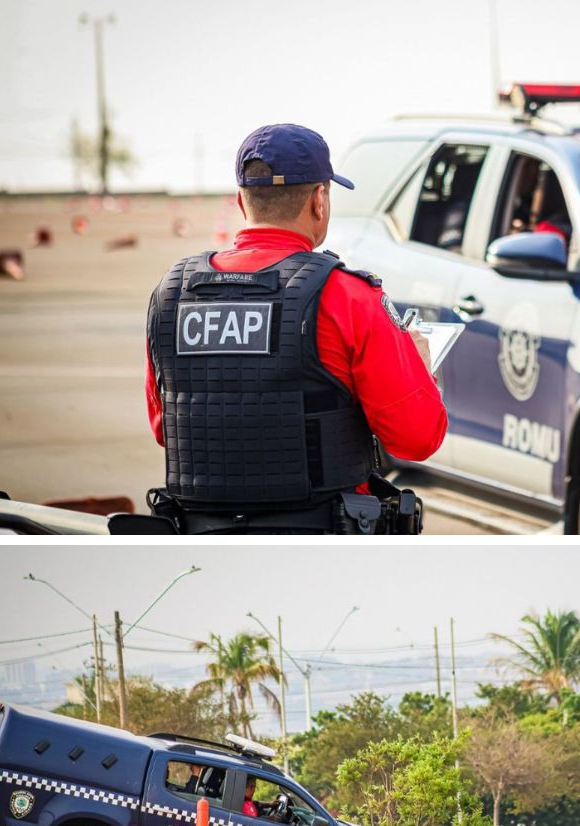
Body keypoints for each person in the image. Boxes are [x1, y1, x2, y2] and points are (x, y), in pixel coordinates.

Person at [143, 124, 447, 533]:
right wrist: (421, 370)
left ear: (241, 201)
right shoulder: (348, 297)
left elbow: (165, 429)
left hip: (201, 535)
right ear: (319, 200)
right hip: (323, 535)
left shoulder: (172, 294)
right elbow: (417, 438)